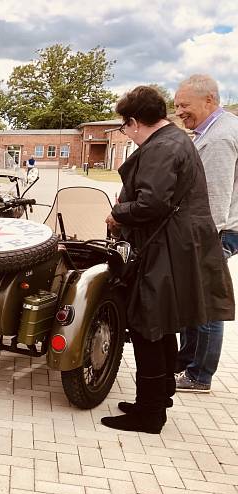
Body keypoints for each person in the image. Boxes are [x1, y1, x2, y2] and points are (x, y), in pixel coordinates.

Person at [101, 85, 234, 434]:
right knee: (160, 324)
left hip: (167, 246)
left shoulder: (161, 147)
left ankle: (149, 413)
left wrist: (118, 213)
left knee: (147, 323)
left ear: (134, 122)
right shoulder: (175, 139)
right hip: (176, 244)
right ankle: (158, 396)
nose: (127, 134)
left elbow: (152, 203)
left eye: (125, 126)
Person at [173, 74, 238, 392]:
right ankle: (185, 360)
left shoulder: (219, 138)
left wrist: (204, 240)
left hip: (214, 232)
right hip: (212, 230)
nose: (179, 112)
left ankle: (200, 375)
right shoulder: (213, 130)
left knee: (207, 304)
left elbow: (214, 196)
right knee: (193, 298)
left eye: (184, 105)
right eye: (176, 106)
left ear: (209, 100)